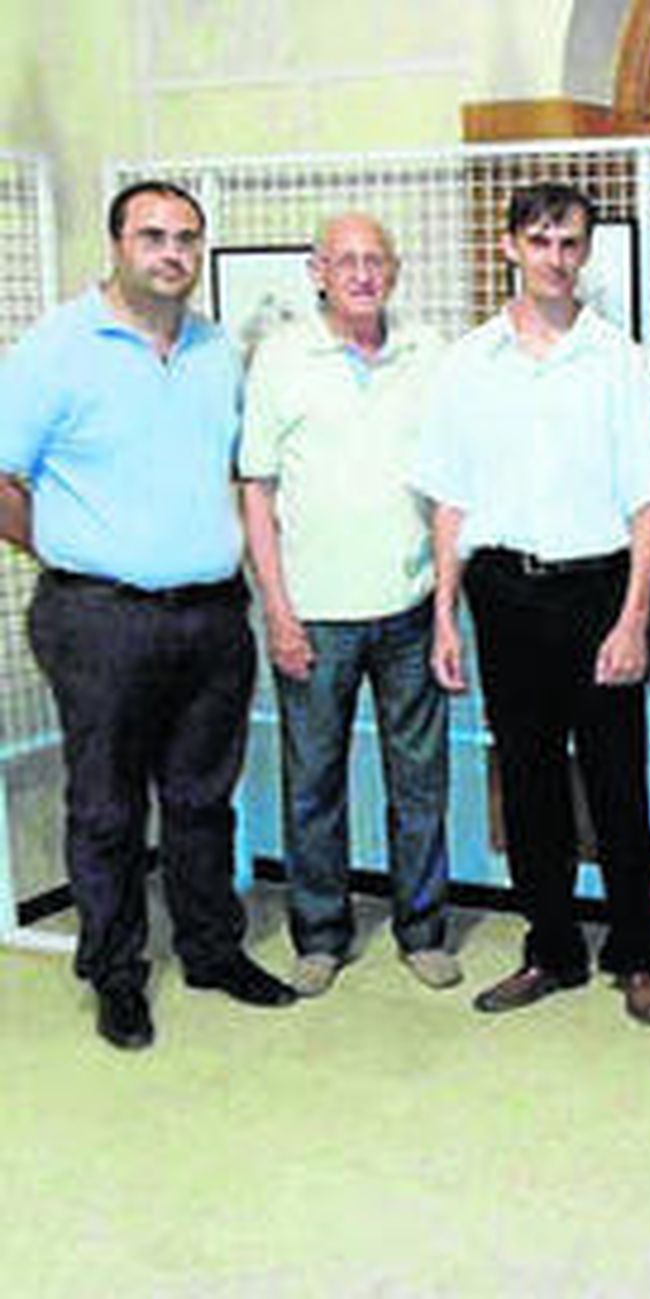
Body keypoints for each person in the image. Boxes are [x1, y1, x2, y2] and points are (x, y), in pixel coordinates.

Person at [0, 180, 296, 1051]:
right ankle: (117, 974)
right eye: (153, 236)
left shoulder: (215, 350)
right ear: (118, 244)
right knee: (107, 807)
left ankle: (212, 950)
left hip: (211, 616)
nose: (173, 253)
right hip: (99, 618)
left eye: (187, 238)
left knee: (204, 798)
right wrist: (65, 548)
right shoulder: (55, 348)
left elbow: (240, 474)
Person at [414, 182, 650, 1027]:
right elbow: (451, 500)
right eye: (540, 241)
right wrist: (444, 613)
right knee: (528, 784)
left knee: (617, 787)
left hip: (598, 592)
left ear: (586, 252)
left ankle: (636, 955)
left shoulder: (620, 360)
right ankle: (552, 950)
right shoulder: (468, 364)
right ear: (510, 247)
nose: (555, 258)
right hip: (502, 593)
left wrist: (633, 618)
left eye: (569, 243)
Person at [240, 212, 457, 998]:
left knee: (420, 783)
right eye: (346, 261)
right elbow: (256, 489)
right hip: (315, 615)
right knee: (313, 785)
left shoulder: (429, 352)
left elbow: (451, 487)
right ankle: (320, 935)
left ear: (394, 270)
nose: (363, 274)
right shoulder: (280, 357)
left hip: (409, 607)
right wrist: (277, 609)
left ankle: (422, 931)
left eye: (376, 260)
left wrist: (444, 608)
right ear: (318, 272)